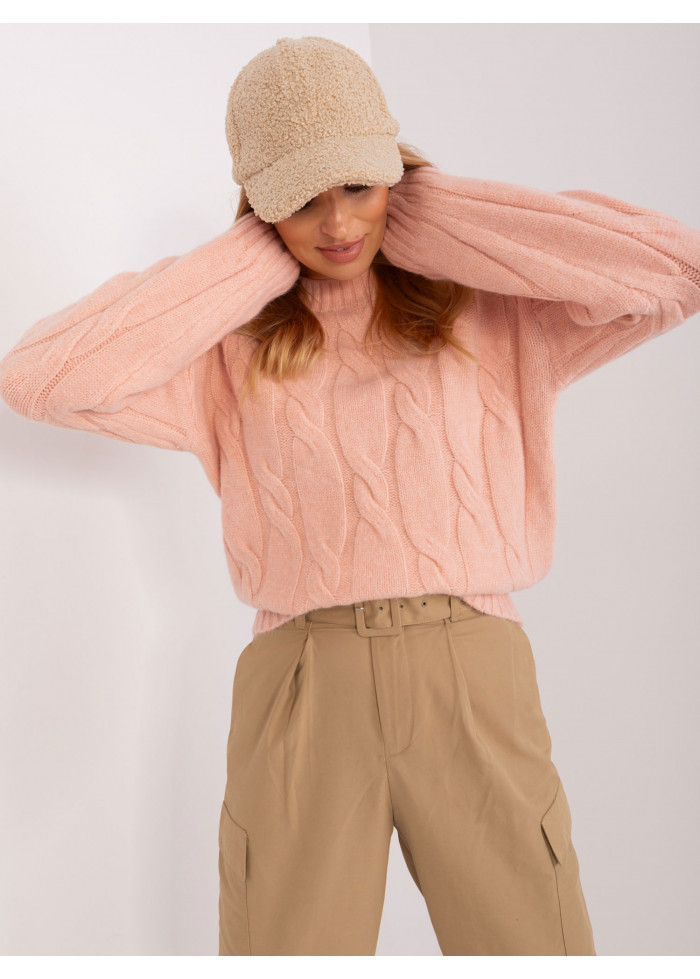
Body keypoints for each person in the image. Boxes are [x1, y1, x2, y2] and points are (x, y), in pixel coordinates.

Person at [1, 35, 699, 957]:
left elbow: (674, 270)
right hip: (302, 682)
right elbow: (40, 378)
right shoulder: (230, 348)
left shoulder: (487, 309)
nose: (336, 222)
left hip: (471, 669)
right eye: (300, 198)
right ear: (258, 207)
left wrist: (433, 216)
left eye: (359, 185)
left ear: (394, 171)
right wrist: (251, 263)